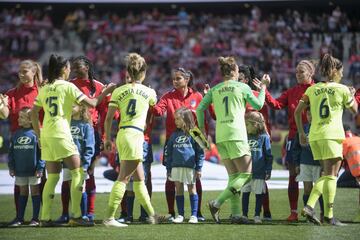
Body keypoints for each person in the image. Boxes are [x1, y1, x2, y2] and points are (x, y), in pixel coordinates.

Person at [31, 54, 115, 227]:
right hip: (62, 133)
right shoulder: (68, 86)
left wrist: (38, 135)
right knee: (77, 173)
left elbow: (33, 112)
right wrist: (106, 92)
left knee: (53, 177)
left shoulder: (46, 88)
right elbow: (92, 104)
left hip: (46, 134)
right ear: (64, 69)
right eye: (69, 67)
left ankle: (44, 218)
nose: (70, 70)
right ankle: (76, 216)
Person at [196, 56, 269, 223]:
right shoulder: (242, 87)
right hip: (237, 135)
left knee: (234, 176)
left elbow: (200, 109)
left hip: (220, 136)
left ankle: (236, 214)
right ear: (235, 72)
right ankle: (217, 202)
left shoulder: (215, 89)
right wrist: (263, 87)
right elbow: (258, 105)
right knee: (246, 175)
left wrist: (201, 129)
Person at [294, 53, 358, 226]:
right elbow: (355, 111)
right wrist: (351, 94)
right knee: (330, 176)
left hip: (315, 136)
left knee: (329, 175)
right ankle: (310, 206)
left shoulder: (312, 89)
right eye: (342, 71)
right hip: (332, 135)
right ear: (335, 71)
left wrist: (301, 132)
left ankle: (329, 216)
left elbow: (297, 111)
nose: (343, 75)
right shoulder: (342, 89)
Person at [103, 53, 158, 227]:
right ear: (143, 72)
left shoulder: (119, 91)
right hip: (135, 135)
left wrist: (106, 138)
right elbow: (154, 111)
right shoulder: (150, 92)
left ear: (128, 71)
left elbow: (108, 118)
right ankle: (110, 218)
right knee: (124, 178)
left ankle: (152, 215)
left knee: (139, 178)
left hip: (123, 134)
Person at [153, 68, 214, 221]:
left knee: (195, 177)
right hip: (172, 140)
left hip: (195, 138)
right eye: (174, 78)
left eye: (178, 78)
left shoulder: (198, 96)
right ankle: (173, 213)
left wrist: (209, 98)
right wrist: (151, 100)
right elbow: (158, 112)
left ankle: (197, 213)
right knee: (171, 178)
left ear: (187, 80)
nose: (175, 81)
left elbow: (210, 115)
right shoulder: (167, 96)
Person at [265, 60, 315, 222]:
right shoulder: (292, 91)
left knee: (315, 175)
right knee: (293, 175)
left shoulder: (317, 90)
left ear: (311, 73)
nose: (298, 75)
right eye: (296, 72)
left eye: (301, 72)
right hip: (294, 138)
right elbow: (276, 104)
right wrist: (264, 90)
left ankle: (315, 212)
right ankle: (294, 212)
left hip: (314, 137)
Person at [0, 60, 43, 219]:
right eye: (20, 72)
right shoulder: (12, 93)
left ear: (34, 72)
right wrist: (1, 105)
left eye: (25, 71)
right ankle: (19, 217)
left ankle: (38, 217)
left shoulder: (42, 91)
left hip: (39, 141)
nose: (21, 74)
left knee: (39, 183)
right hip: (18, 140)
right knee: (19, 184)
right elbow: (4, 115)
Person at [70, 56, 112, 221]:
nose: (75, 68)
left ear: (87, 66)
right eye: (74, 66)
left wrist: (103, 136)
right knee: (71, 173)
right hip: (72, 131)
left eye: (78, 65)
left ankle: (90, 212)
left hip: (92, 133)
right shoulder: (70, 85)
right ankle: (69, 212)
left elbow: (104, 113)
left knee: (89, 172)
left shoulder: (99, 86)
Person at [239, 64, 272, 220]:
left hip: (258, 137)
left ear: (245, 79)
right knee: (242, 183)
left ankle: (265, 211)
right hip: (241, 140)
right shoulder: (233, 94)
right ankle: (242, 213)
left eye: (238, 78)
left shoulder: (254, 94)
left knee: (260, 183)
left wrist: (264, 90)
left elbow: (263, 114)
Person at [56, 103, 95, 223]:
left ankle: (83, 215)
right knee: (68, 187)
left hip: (81, 165)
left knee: (80, 188)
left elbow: (90, 147)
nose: (70, 108)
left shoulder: (86, 126)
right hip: (67, 162)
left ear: (81, 108)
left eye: (73, 106)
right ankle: (66, 214)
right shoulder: (66, 123)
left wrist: (85, 164)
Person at [166, 107, 204, 224]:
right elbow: (169, 153)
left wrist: (199, 167)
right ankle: (180, 215)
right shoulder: (173, 134)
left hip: (190, 167)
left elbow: (201, 151)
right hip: (176, 167)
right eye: (175, 119)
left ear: (186, 119)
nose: (175, 121)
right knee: (179, 190)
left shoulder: (195, 132)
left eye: (178, 119)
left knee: (192, 190)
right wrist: (169, 169)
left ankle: (194, 215)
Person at [8, 107, 44, 227]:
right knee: (22, 193)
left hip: (34, 171)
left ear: (30, 120)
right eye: (19, 117)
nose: (19, 119)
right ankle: (19, 218)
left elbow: (42, 154)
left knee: (35, 192)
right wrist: (11, 167)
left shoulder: (36, 134)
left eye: (22, 117)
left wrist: (40, 168)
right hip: (20, 170)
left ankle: (35, 219)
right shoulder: (16, 134)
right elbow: (11, 153)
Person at [292, 107, 324, 222]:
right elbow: (296, 148)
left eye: (313, 115)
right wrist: (296, 164)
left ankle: (323, 214)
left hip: (319, 164)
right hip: (305, 163)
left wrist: (325, 165)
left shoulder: (322, 129)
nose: (310, 117)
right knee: (307, 189)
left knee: (320, 190)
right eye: (308, 115)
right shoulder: (303, 129)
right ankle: (309, 215)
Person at [240, 111, 272, 224]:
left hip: (259, 172)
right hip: (246, 173)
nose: (245, 127)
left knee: (259, 194)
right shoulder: (244, 137)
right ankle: (244, 215)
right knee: (245, 193)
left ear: (255, 125)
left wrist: (268, 170)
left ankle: (257, 215)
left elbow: (268, 155)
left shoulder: (264, 137)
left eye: (247, 124)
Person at [341, 125, 360, 222]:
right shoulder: (358, 138)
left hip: (355, 171)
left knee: (339, 183)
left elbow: (340, 160)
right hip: (355, 170)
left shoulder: (343, 142)